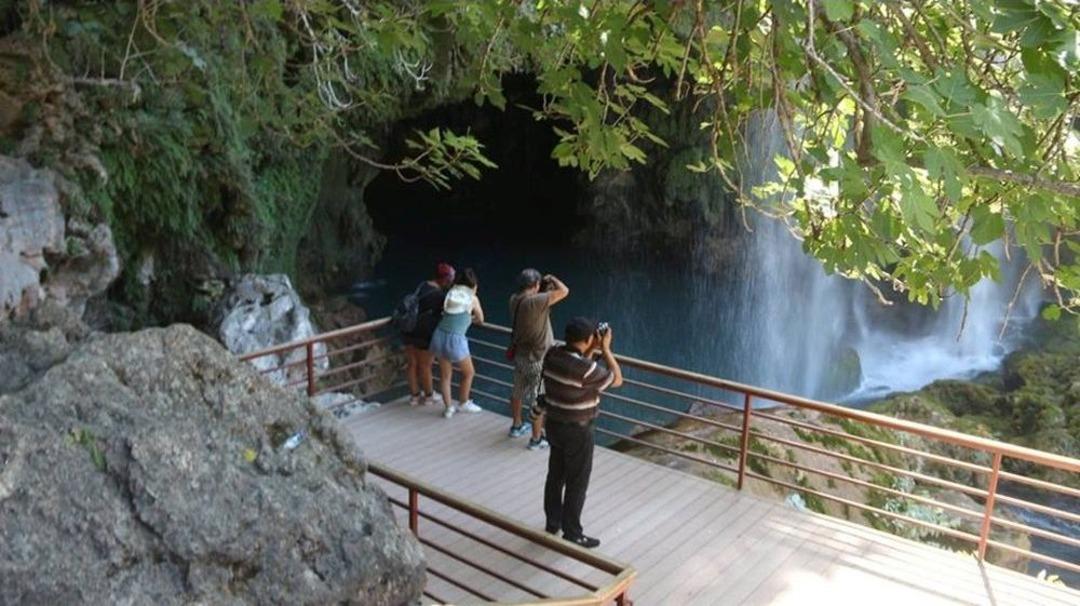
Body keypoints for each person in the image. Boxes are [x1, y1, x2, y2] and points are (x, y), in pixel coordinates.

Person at [536, 317, 622, 548]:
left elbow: (577, 368)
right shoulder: (586, 369)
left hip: (554, 423)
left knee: (555, 475)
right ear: (587, 340)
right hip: (578, 431)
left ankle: (552, 523)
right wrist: (605, 349)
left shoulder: (552, 354)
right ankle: (573, 532)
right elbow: (616, 379)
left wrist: (590, 350)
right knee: (577, 481)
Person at [508, 269, 569, 449]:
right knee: (538, 400)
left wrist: (542, 288)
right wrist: (552, 278)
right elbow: (565, 291)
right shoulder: (537, 301)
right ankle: (536, 439)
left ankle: (516, 426)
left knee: (517, 391)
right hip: (538, 359)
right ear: (535, 285)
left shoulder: (514, 299)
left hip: (521, 355)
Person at [429, 268, 485, 419]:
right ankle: (464, 402)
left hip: (439, 335)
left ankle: (448, 408)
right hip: (456, 339)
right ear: (473, 285)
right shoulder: (472, 299)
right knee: (469, 372)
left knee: (446, 375)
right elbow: (481, 319)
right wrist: (470, 320)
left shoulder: (450, 294)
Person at [401, 262, 455, 406]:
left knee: (411, 363)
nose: (451, 282)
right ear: (444, 279)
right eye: (450, 279)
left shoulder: (422, 285)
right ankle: (429, 395)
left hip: (408, 327)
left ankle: (414, 395)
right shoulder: (439, 296)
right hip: (423, 333)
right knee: (425, 365)